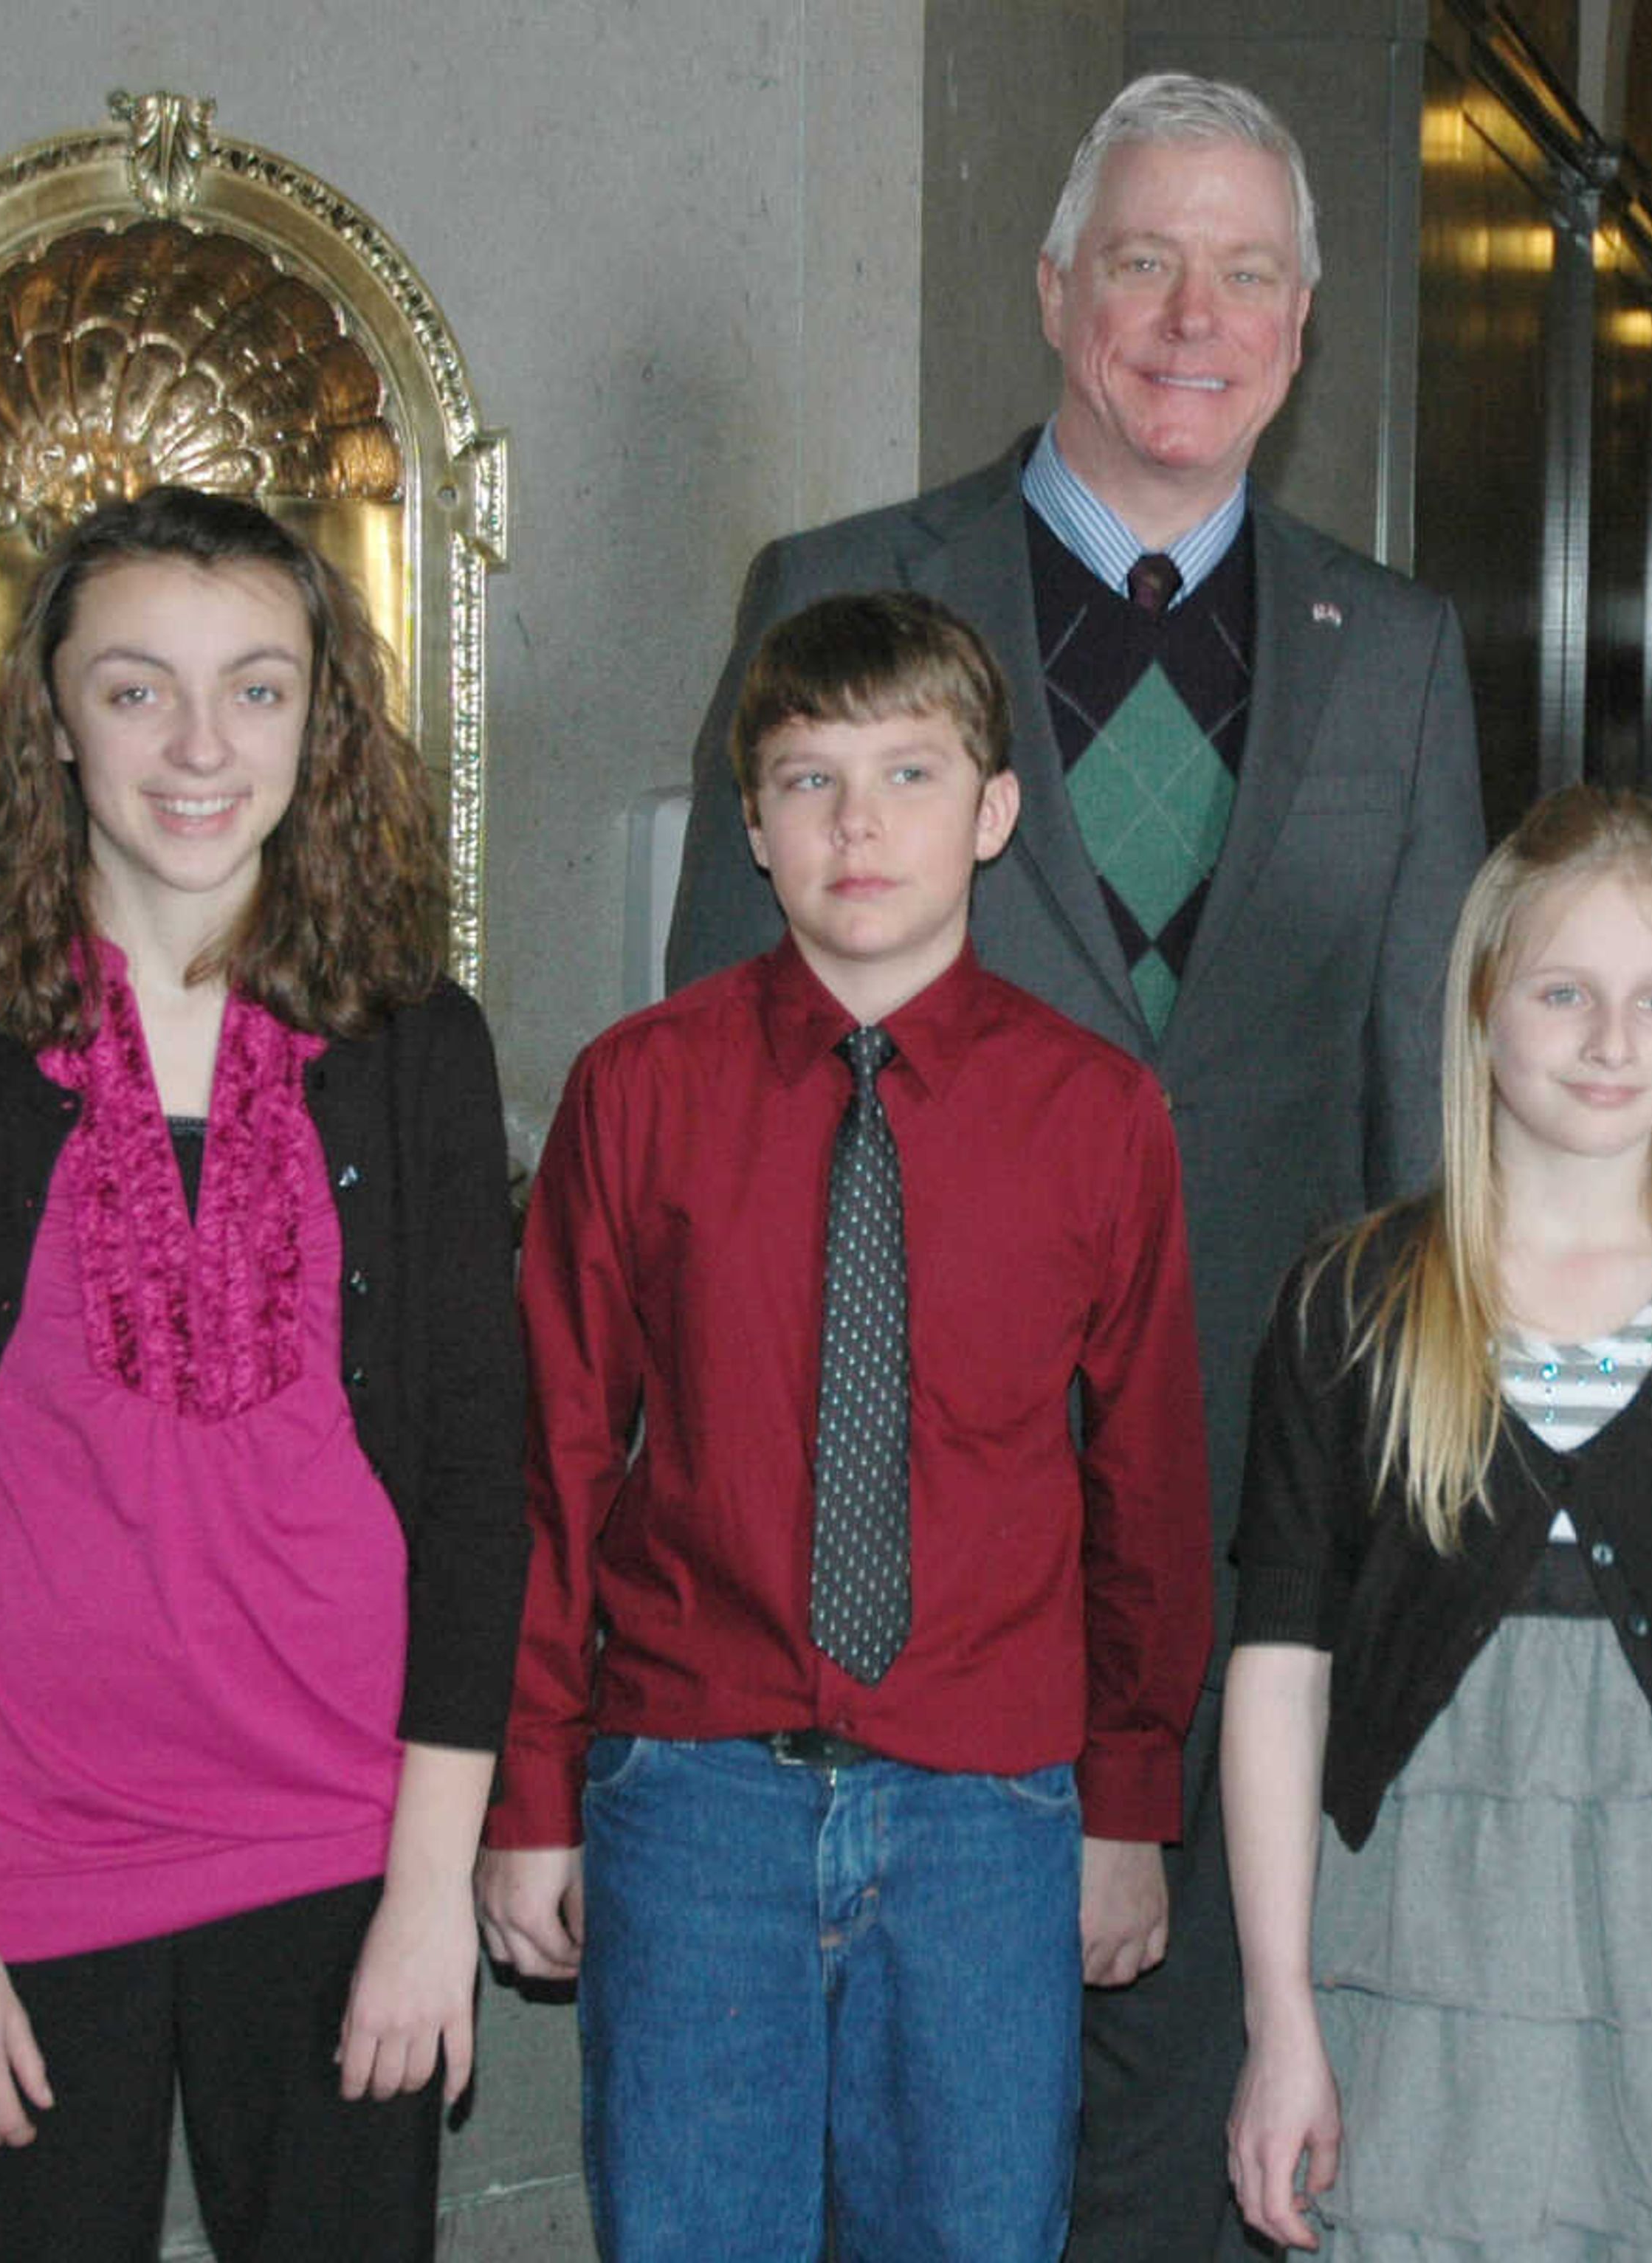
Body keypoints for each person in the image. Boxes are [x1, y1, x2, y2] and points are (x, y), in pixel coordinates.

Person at [662, 72, 1485, 2257]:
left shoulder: (1393, 658)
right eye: (1143, 258)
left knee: (1187, 2120)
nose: (1189, 316)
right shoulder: (840, 592)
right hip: (891, 1558)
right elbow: (710, 1106)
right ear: (1053, 292)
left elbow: (1427, 1129)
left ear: (1307, 328)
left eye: (1244, 274)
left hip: (1247, 1526)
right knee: (877, 2150)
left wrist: (1413, 1515)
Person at [0, 486, 529, 2262]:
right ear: (51, 715)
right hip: (24, 1875)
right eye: (138, 691)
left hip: (345, 1856)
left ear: (317, 719)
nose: (202, 747)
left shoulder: (420, 1047)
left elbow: (479, 1505)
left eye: (256, 689)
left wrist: (433, 1895)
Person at [478, 592, 1212, 2259]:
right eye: (809, 780)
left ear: (996, 811)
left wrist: (1129, 1806)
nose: (859, 823)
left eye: (909, 773)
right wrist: (530, 1798)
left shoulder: (1098, 1115)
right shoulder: (638, 1089)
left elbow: (1148, 1491)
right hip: (689, 1800)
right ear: (751, 823)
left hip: (992, 1815)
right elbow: (557, 1467)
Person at [1222, 787, 1652, 2258]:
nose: (1610, 1040)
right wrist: (1280, 2017)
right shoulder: (1351, 1305)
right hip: (1405, 1933)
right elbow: (1280, 1674)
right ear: (1483, 1007)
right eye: (1563, 992)